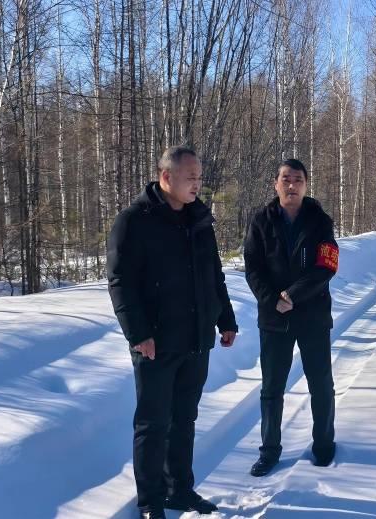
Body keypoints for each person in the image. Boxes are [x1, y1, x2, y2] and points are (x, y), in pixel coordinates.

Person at [107, 146, 238, 518]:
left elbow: (214, 274)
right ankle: (151, 501)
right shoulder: (135, 221)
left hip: (195, 337)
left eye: (199, 177)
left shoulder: (199, 219)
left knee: (184, 420)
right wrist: (138, 333)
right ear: (166, 177)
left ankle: (179, 490)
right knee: (153, 423)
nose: (197, 183)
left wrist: (225, 319)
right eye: (190, 177)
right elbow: (121, 282)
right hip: (155, 341)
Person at [243, 158, 339, 477]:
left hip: (313, 315)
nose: (291, 185)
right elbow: (253, 267)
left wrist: (293, 295)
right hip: (274, 318)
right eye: (286, 179)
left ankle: (323, 444)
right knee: (272, 388)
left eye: (298, 179)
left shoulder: (320, 221)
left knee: (321, 384)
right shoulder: (261, 221)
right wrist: (273, 300)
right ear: (276, 184)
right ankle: (269, 451)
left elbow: (327, 265)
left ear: (306, 185)